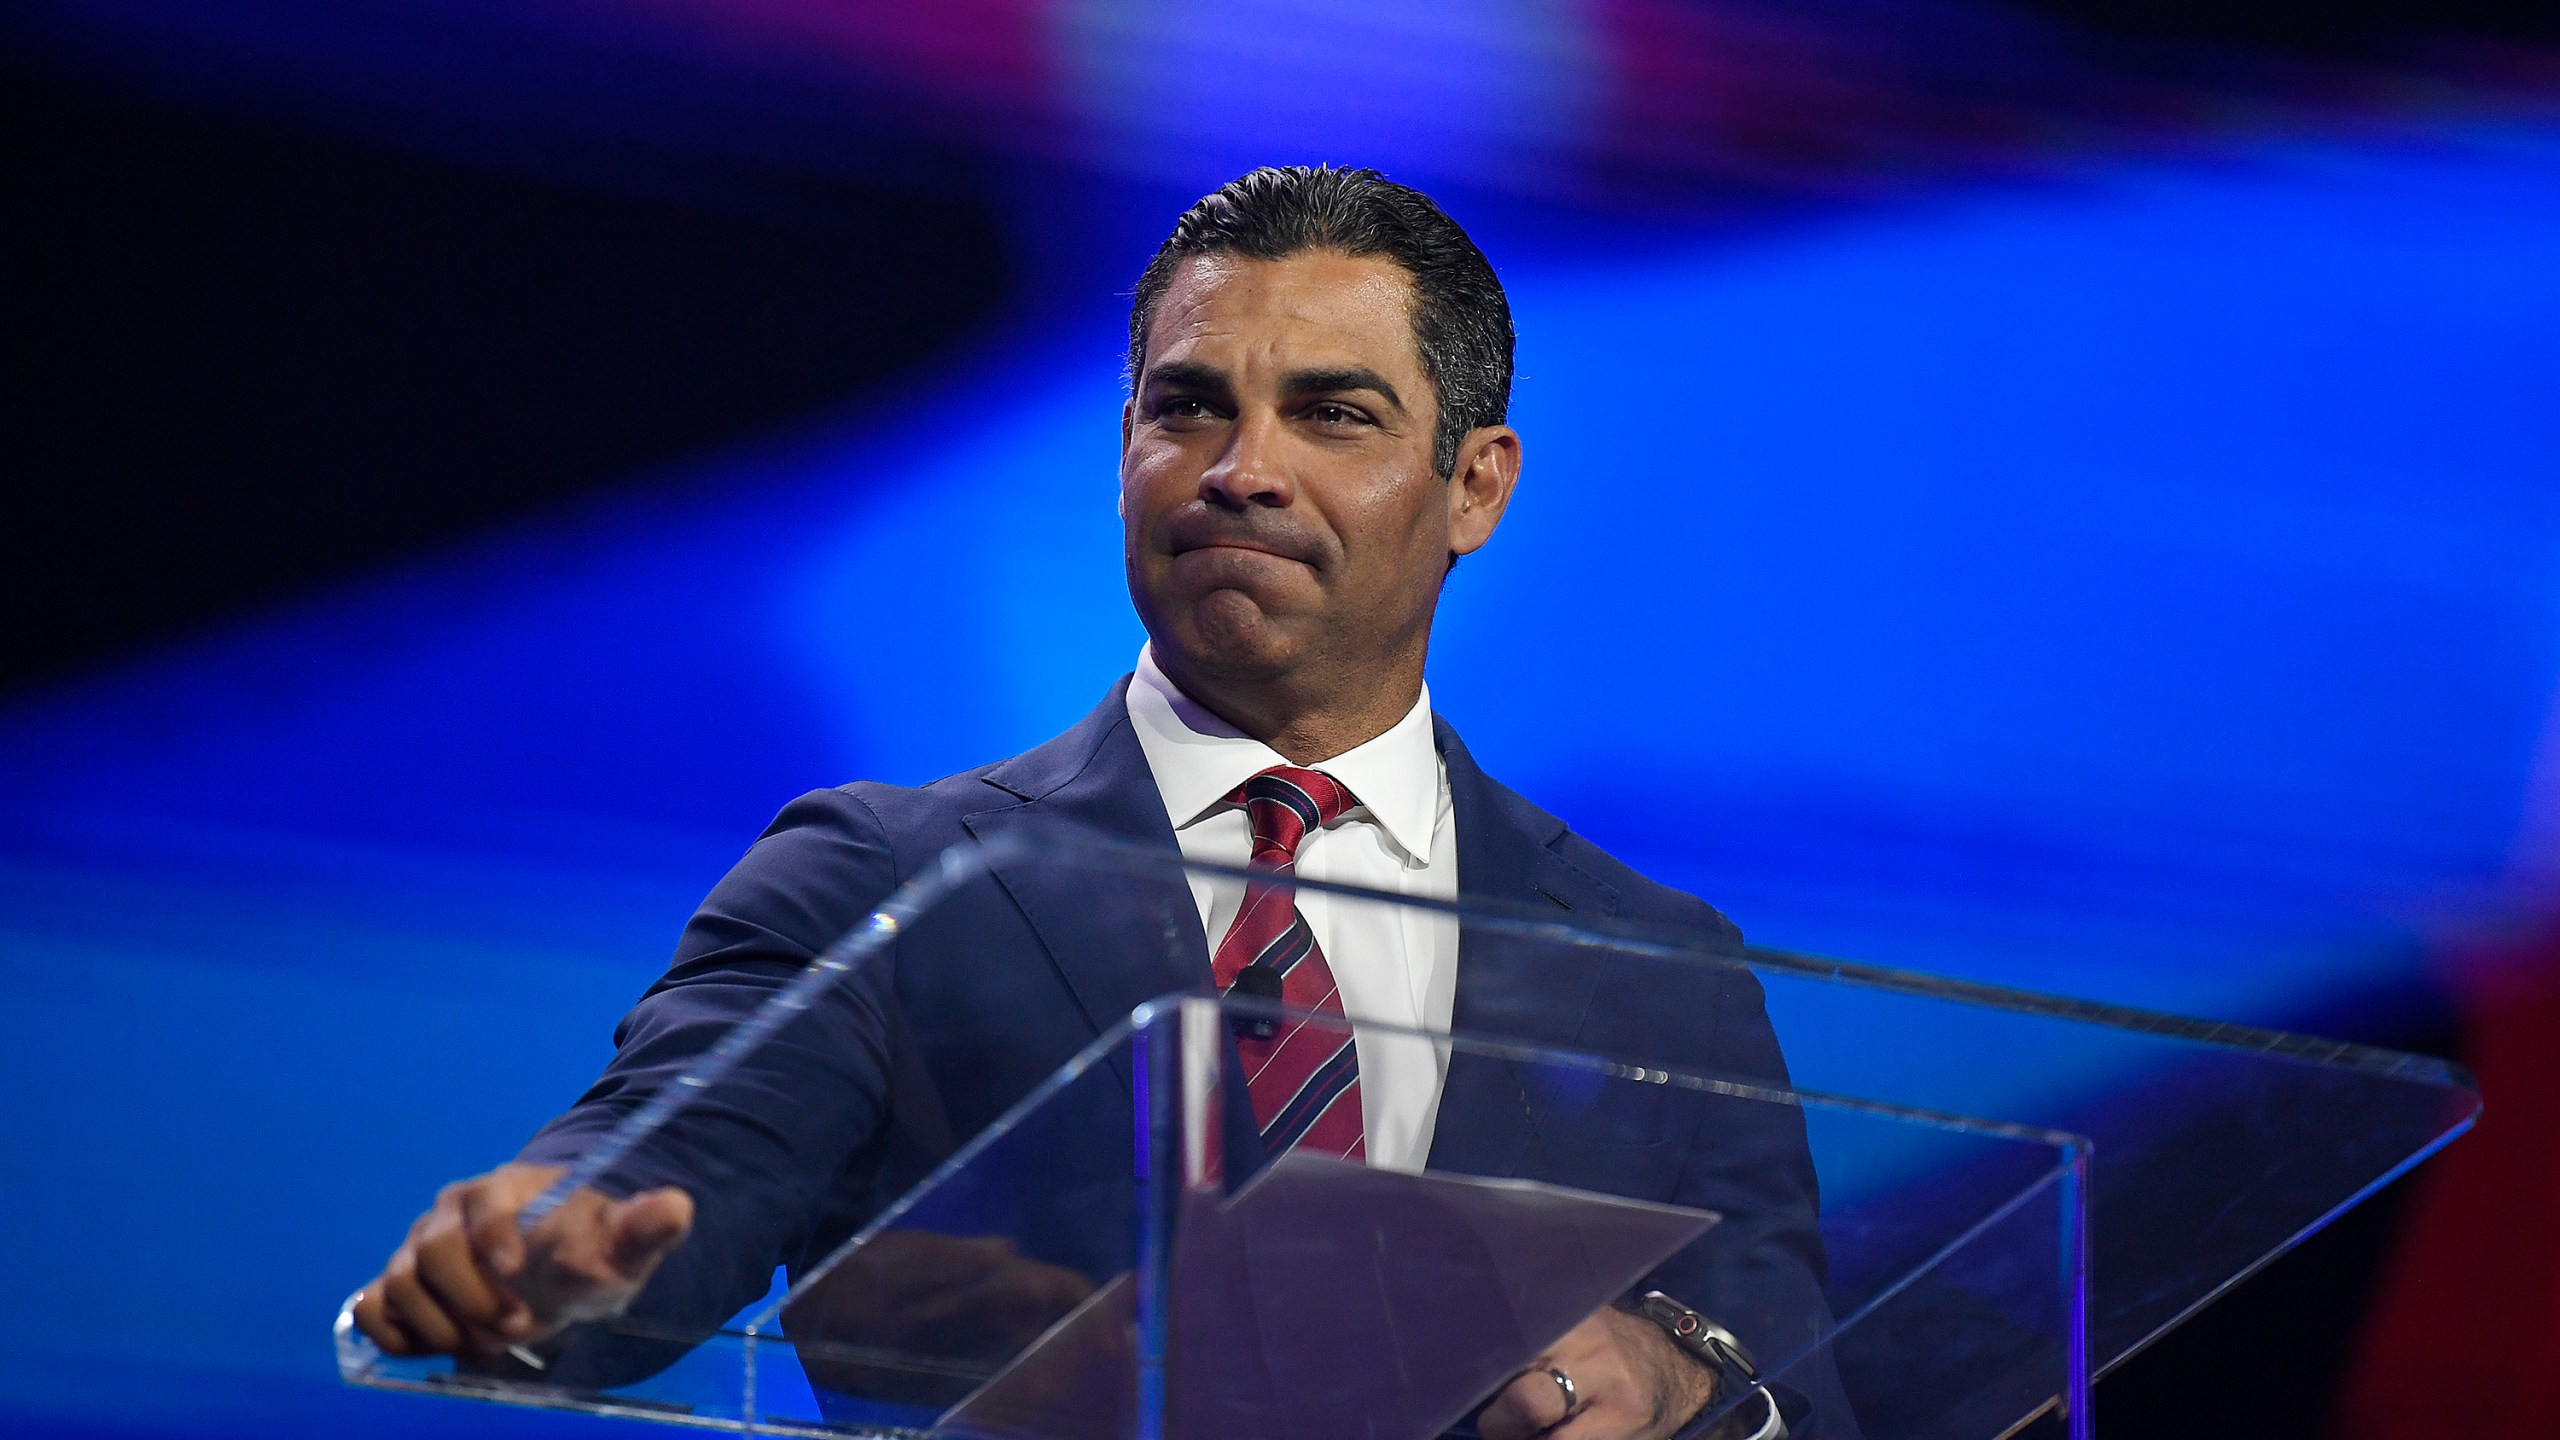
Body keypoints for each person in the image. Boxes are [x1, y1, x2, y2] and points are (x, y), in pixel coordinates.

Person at [352, 166, 1842, 1440]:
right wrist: (544, 1242)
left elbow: (1810, 1394)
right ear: (1125, 451)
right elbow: (669, 1160)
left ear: (1475, 485)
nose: (1243, 470)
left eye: (1332, 414)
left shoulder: (1662, 974)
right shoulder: (884, 876)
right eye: (1189, 409)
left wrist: (1686, 1383)